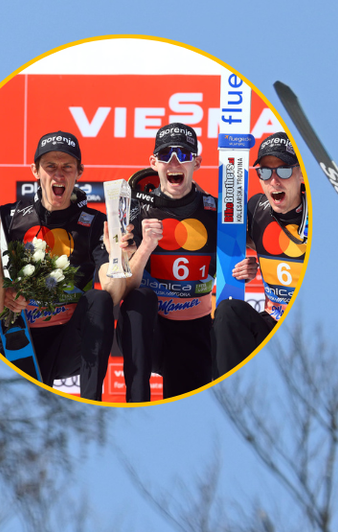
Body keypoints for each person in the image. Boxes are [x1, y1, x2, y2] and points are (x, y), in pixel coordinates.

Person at [0, 131, 126, 400]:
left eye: (67, 166)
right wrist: (4, 293)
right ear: (35, 170)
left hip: (69, 345)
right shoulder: (8, 217)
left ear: (79, 171)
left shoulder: (94, 223)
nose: (59, 174)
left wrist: (117, 255)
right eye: (50, 166)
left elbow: (113, 293)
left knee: (99, 299)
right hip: (16, 337)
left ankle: (92, 400)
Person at [118, 123, 221, 401]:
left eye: (184, 155)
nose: (174, 162)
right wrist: (141, 250)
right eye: (165, 155)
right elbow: (122, 287)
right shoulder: (136, 213)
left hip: (193, 332)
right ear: (153, 162)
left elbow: (253, 240)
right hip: (149, 329)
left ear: (197, 162)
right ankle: (136, 400)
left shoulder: (217, 210)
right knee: (140, 298)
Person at [211, 131, 308, 379]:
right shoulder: (257, 209)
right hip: (273, 324)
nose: (274, 180)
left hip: (310, 326)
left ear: (300, 174)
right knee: (228, 312)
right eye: (265, 172)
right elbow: (227, 232)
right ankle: (227, 387)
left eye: (283, 171)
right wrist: (251, 258)